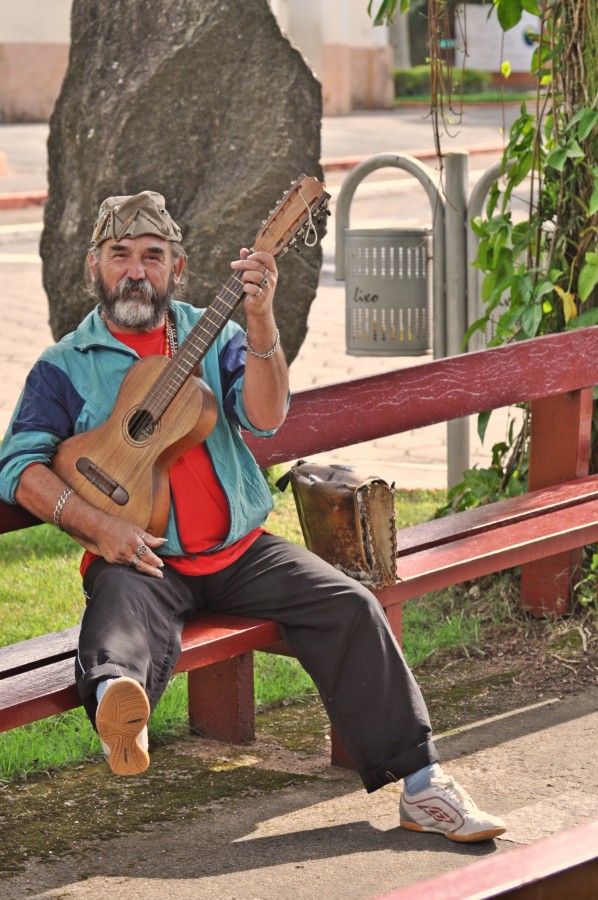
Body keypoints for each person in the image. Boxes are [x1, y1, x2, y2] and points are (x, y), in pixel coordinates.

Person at [0, 191, 506, 843]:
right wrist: (101, 528)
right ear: (94, 266)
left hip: (242, 552)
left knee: (351, 606)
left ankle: (423, 785)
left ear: (178, 269)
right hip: (142, 556)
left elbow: (265, 417)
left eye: (152, 256)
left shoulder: (218, 335)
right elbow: (20, 466)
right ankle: (118, 710)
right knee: (118, 617)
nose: (135, 270)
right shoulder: (63, 366)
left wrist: (262, 322)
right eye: (118, 255)